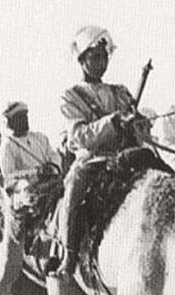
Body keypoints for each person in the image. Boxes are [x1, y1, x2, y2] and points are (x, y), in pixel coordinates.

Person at [51, 25, 151, 276]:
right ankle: (69, 256)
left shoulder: (120, 91)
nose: (101, 62)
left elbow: (141, 132)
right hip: (93, 161)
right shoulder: (72, 96)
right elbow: (78, 137)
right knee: (73, 190)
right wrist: (112, 122)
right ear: (82, 60)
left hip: (127, 158)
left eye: (104, 57)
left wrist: (138, 124)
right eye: (95, 57)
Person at [0, 101, 61, 184]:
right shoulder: (7, 146)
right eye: (20, 118)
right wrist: (36, 172)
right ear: (10, 122)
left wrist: (52, 166)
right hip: (28, 190)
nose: (25, 120)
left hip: (52, 182)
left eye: (25, 116)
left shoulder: (40, 137)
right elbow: (8, 174)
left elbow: (54, 156)